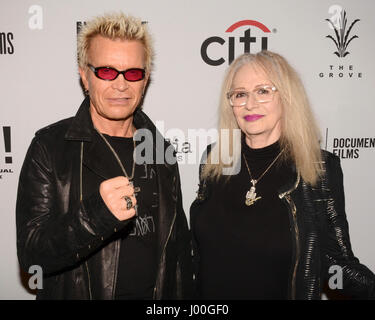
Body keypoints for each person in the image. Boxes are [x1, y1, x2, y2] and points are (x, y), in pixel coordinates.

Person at [16, 12, 192, 300]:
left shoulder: (161, 149)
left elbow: (178, 254)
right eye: (107, 72)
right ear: (85, 76)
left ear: (145, 80)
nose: (121, 85)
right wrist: (95, 216)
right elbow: (32, 255)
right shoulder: (50, 147)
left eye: (133, 73)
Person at [190, 51, 375, 300]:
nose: (250, 104)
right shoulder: (214, 160)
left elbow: (336, 264)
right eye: (240, 94)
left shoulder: (317, 167)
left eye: (263, 91)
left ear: (287, 97)